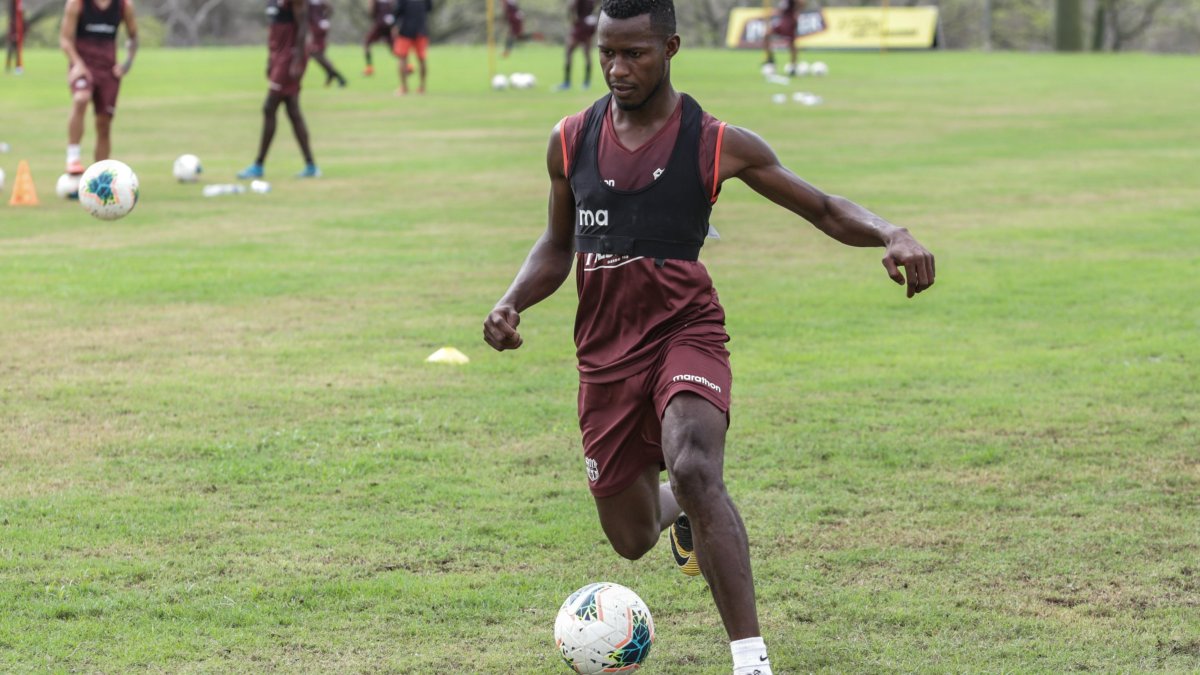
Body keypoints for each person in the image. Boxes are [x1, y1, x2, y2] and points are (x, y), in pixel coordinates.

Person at [482, 1, 935, 673]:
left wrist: (892, 232)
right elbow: (556, 245)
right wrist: (512, 301)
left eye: (634, 53)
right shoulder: (570, 140)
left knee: (695, 465)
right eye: (608, 53)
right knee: (632, 537)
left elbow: (822, 208)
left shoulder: (714, 141)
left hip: (684, 330)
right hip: (605, 354)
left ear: (670, 48)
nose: (617, 68)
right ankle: (682, 511)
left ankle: (750, 658)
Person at [238, 0, 320, 179]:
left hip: (290, 57)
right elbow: (274, 28)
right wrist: (270, 58)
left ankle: (258, 165)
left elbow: (303, 25)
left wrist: (297, 59)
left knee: (269, 107)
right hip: (279, 55)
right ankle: (311, 166)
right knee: (292, 110)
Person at [58, 0, 138, 175]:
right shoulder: (77, 4)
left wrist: (126, 64)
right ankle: (73, 158)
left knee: (104, 123)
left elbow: (133, 36)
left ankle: (100, 174)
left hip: (108, 70)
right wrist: (77, 63)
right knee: (81, 99)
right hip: (83, 66)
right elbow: (65, 39)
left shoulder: (124, 6)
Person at [390, 0, 430, 95]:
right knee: (422, 59)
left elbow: (397, 10)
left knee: (402, 58)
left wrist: (394, 26)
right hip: (421, 29)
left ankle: (404, 88)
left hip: (405, 29)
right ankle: (422, 87)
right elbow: (429, 8)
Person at [555, 0, 596, 90]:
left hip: (580, 25)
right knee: (587, 53)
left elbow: (571, 6)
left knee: (568, 52)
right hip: (589, 25)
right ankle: (586, 83)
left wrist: (572, 20)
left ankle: (567, 82)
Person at [307, 0, 346, 87]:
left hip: (317, 28)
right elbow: (329, 8)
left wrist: (323, 19)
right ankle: (331, 74)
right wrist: (324, 19)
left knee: (316, 54)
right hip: (319, 27)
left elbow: (329, 8)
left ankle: (339, 77)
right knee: (314, 53)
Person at [762, 0, 803, 76]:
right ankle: (770, 59)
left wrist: (797, 10)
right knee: (767, 35)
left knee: (791, 43)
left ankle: (793, 65)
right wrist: (774, 12)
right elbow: (783, 9)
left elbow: (801, 3)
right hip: (782, 21)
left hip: (790, 21)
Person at [362, 0, 394, 76]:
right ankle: (369, 67)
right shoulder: (377, 3)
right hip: (382, 26)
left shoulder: (389, 3)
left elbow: (395, 11)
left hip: (385, 27)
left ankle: (407, 66)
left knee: (396, 48)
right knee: (367, 43)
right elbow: (372, 14)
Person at [5, 0, 24, 74]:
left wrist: (16, 33)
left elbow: (18, 20)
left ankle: (18, 66)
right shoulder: (14, 9)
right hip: (13, 32)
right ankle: (9, 67)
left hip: (16, 32)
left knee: (16, 50)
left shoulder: (17, 7)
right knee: (11, 50)